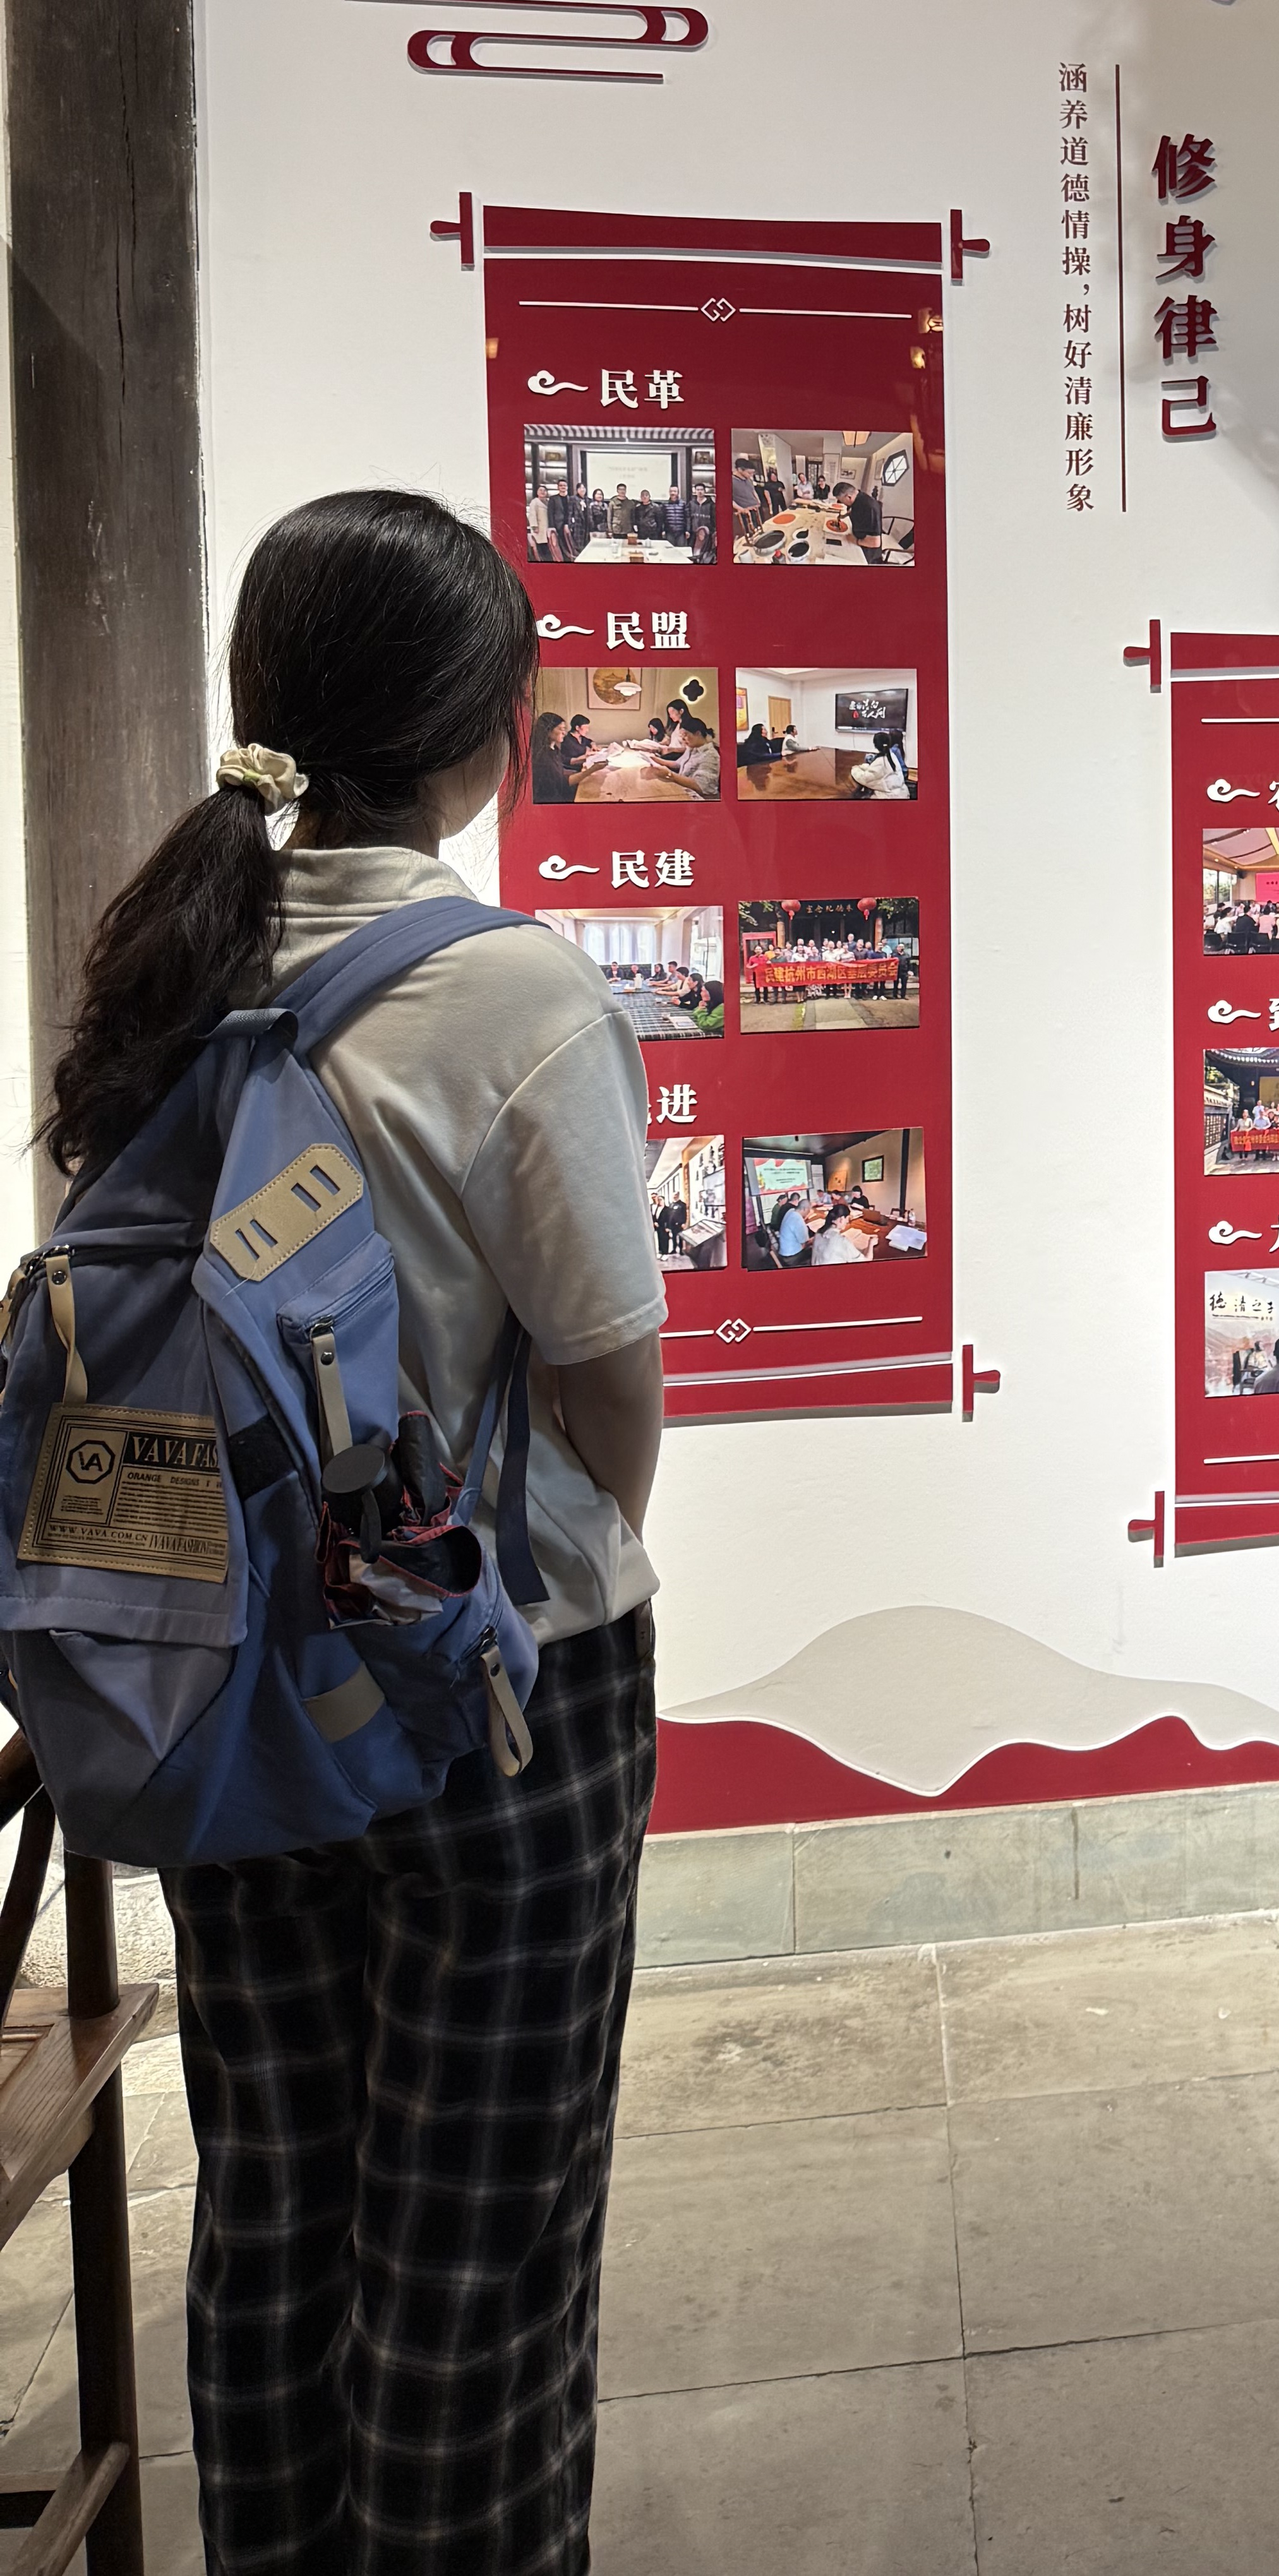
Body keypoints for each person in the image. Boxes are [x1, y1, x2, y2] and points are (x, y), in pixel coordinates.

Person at [40, 491, 663, 2576]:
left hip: (225, 1670)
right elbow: (608, 1376)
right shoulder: (515, 996)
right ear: (488, 732)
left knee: (275, 2198)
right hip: (495, 1684)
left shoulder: (170, 957)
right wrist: (576, 1558)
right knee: (478, 2242)